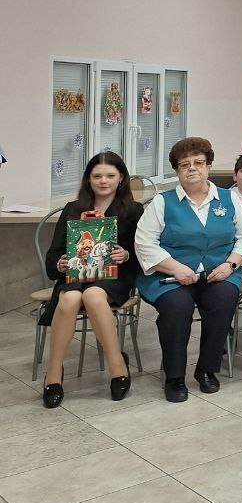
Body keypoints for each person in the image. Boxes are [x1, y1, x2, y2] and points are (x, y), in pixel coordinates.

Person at [136, 137, 242, 403]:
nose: (192, 168)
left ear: (208, 166)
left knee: (224, 298)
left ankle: (207, 370)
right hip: (170, 276)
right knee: (177, 307)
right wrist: (176, 268)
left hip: (219, 271)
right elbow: (144, 243)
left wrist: (230, 265)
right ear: (176, 171)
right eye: (184, 164)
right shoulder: (162, 202)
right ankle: (175, 377)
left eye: (199, 163)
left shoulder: (229, 199)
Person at [40, 152, 141, 408]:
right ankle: (54, 373)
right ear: (88, 179)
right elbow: (53, 255)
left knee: (93, 295)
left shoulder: (133, 210)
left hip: (115, 277)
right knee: (71, 297)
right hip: (76, 276)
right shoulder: (73, 209)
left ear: (121, 178)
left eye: (110, 175)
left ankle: (117, 366)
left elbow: (141, 253)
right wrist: (60, 263)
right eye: (97, 176)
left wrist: (126, 254)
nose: (103, 181)